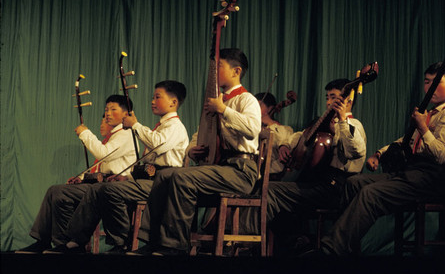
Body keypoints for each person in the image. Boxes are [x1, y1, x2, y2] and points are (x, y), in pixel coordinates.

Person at [319, 62, 445, 256]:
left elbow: (441, 156)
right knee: (354, 183)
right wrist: (379, 154)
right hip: (413, 174)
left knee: (370, 194)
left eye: (436, 82)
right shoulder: (430, 114)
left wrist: (423, 127)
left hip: (432, 179)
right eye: (426, 82)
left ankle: (329, 250)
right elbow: (406, 141)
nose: (429, 87)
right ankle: (346, 248)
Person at [129, 48, 261, 256]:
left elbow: (253, 130)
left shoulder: (246, 100)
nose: (213, 73)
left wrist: (224, 110)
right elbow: (199, 135)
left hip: (240, 170)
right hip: (217, 169)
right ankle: (152, 240)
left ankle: (175, 246)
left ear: (236, 71)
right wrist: (192, 150)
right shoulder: (217, 103)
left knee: (181, 178)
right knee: (164, 176)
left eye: (218, 66)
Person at [46, 80, 190, 254]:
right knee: (97, 189)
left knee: (107, 190)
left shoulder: (175, 126)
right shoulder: (160, 128)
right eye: (152, 97)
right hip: (149, 180)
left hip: (164, 183)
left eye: (157, 97)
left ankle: (121, 243)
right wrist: (127, 177)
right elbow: (146, 164)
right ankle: (74, 241)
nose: (152, 101)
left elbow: (158, 146)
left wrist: (136, 125)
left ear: (173, 102)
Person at [239, 79, 367, 255]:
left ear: (348, 101)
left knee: (270, 191)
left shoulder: (353, 125)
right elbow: (299, 136)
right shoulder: (325, 125)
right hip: (318, 185)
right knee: (269, 191)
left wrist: (343, 120)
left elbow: (356, 151)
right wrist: (285, 144)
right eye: (327, 97)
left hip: (336, 188)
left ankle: (247, 244)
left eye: (334, 97)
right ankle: (296, 242)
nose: (329, 102)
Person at [15, 95, 136, 254]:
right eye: (106, 110)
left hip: (113, 187)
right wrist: (81, 178)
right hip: (100, 185)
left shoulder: (125, 134)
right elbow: (101, 165)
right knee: (56, 191)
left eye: (113, 109)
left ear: (126, 114)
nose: (107, 114)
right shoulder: (114, 135)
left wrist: (85, 133)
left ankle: (66, 243)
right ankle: (46, 241)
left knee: (61, 193)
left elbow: (102, 153)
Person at [255, 92, 294, 179]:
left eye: (259, 106)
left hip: (272, 178)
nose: (254, 110)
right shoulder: (252, 127)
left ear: (270, 109)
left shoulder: (283, 130)